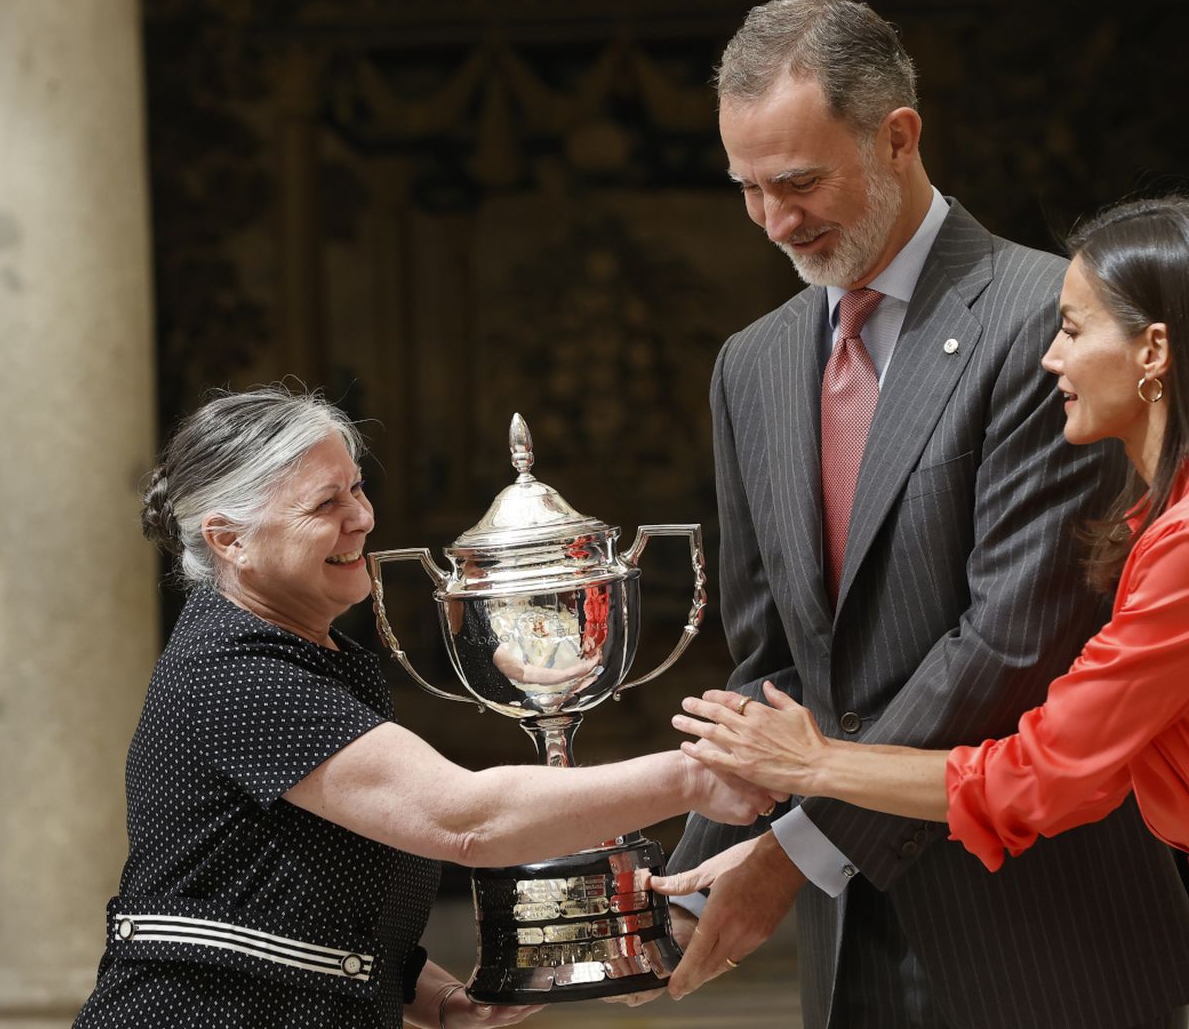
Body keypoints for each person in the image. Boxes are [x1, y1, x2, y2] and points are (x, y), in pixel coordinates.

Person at [672, 196, 1189, 1029]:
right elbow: (1079, 782)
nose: (1051, 357)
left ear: (1153, 352)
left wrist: (819, 764)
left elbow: (1042, 773)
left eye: (1072, 329)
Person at [651, 0, 1189, 1029]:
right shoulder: (752, 365)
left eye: (800, 181)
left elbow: (1011, 640)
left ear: (899, 137)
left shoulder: (1045, 317)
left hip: (1046, 939)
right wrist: (670, 903)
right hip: (847, 947)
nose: (775, 221)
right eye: (747, 188)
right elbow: (768, 663)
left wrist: (792, 854)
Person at [73, 386, 781, 1029]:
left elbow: (282, 891)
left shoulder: (298, 653)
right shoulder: (235, 671)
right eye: (325, 504)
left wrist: (430, 993)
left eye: (356, 488)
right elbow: (463, 818)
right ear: (230, 540)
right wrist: (693, 777)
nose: (361, 517)